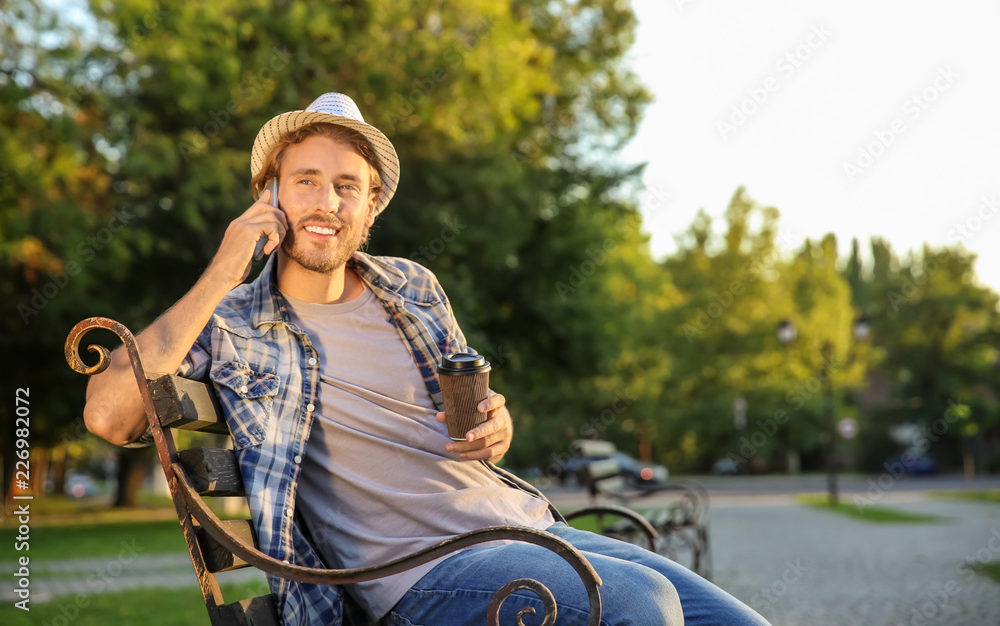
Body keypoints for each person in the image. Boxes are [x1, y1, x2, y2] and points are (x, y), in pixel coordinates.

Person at [84, 93, 769, 626]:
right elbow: (108, 415)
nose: (327, 202)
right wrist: (224, 269)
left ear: (372, 204)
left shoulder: (412, 287)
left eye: (348, 185)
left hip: (526, 526)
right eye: (306, 182)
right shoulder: (231, 321)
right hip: (415, 574)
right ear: (268, 193)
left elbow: (468, 414)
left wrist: (497, 425)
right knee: (637, 602)